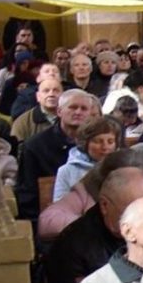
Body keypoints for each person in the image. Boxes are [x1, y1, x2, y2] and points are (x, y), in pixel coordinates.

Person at [17, 87, 99, 217]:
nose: (78, 112)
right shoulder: (35, 146)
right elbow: (27, 195)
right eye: (73, 107)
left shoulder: (100, 145)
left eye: (84, 109)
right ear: (59, 111)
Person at [52, 115, 123, 203]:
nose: (105, 147)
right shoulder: (67, 171)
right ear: (85, 144)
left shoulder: (123, 167)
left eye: (110, 142)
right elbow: (60, 205)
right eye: (98, 141)